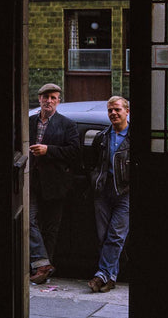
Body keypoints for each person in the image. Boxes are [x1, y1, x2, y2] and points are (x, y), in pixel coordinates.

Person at [28, 83, 80, 284]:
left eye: (53, 97)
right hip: (31, 181)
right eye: (45, 97)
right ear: (39, 99)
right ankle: (42, 263)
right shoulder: (30, 121)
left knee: (51, 227)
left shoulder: (67, 124)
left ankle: (44, 268)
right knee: (29, 220)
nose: (49, 101)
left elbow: (74, 152)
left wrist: (48, 150)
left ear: (58, 101)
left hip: (55, 184)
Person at [87, 96, 130, 293]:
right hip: (103, 191)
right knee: (103, 235)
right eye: (110, 110)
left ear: (126, 111)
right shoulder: (102, 137)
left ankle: (102, 274)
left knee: (116, 236)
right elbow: (92, 163)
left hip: (125, 193)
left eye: (117, 109)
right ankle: (111, 277)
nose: (113, 113)